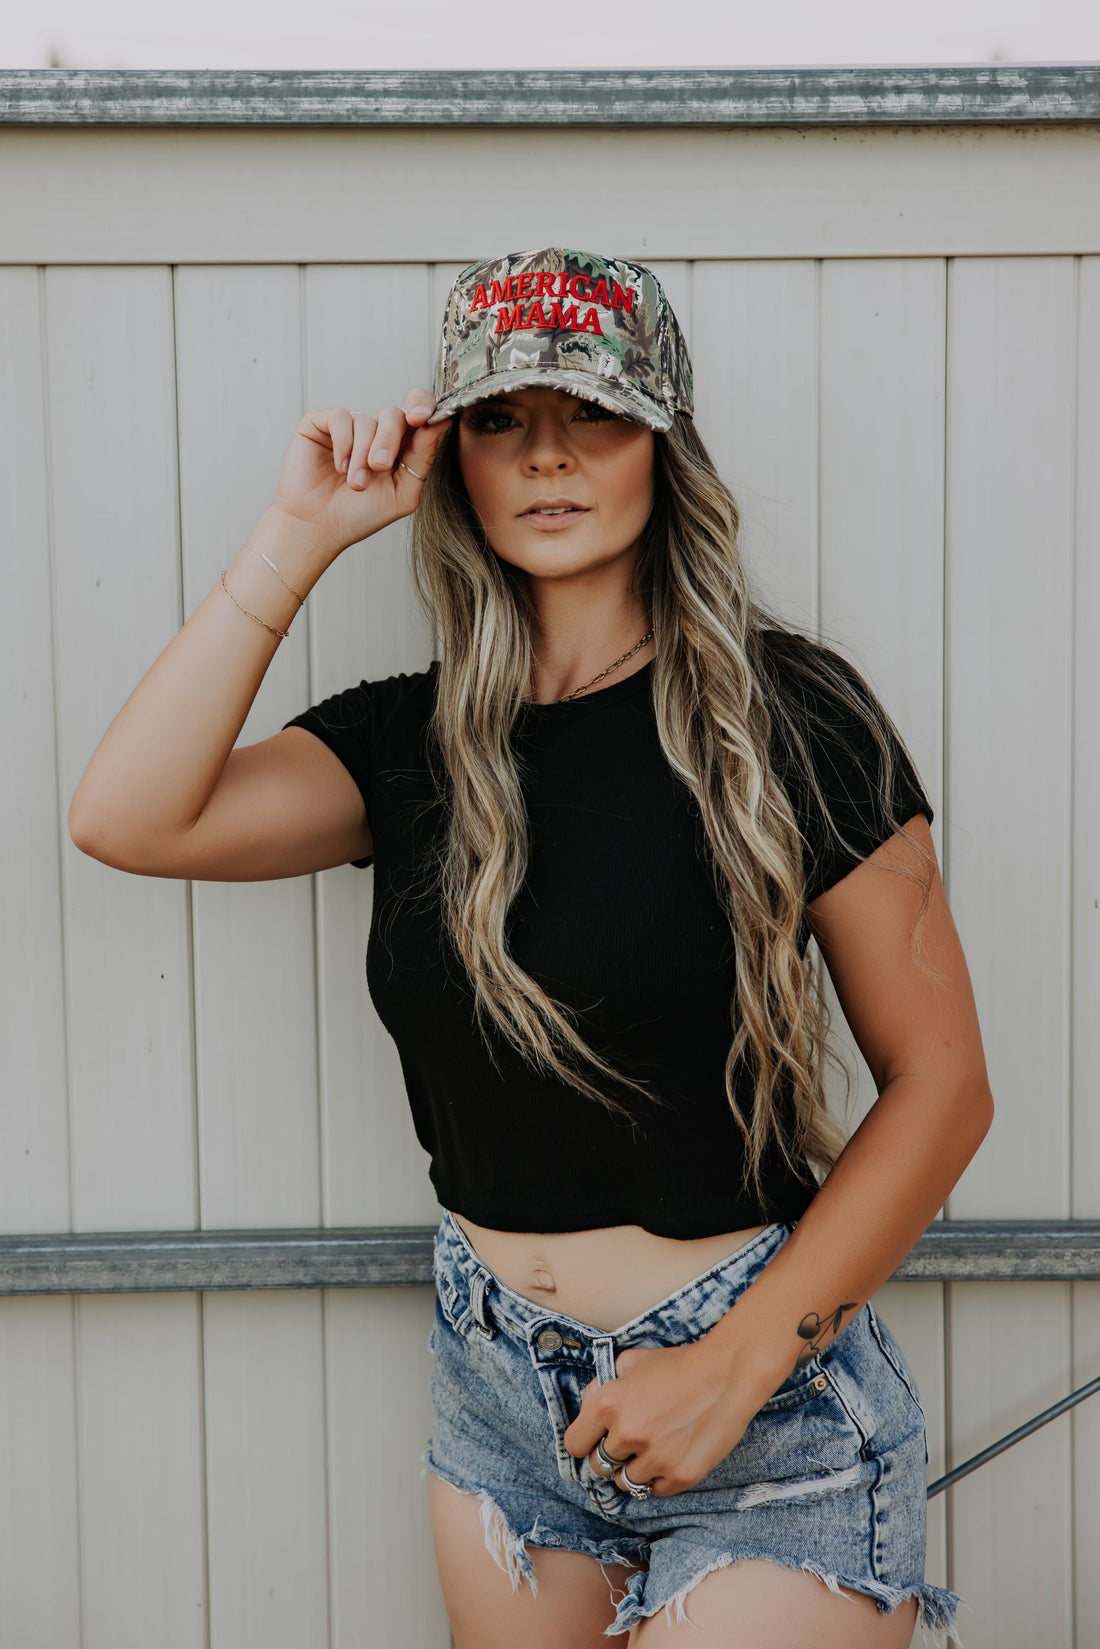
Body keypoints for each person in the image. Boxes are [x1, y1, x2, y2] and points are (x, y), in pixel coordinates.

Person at [69, 247, 991, 1648]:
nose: (549, 457)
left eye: (595, 416)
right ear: (455, 462)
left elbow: (944, 1085)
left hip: (763, 1401)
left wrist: (731, 1369)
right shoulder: (408, 740)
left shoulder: (792, 720)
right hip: (500, 1387)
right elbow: (129, 815)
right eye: (501, 421)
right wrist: (299, 534)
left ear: (663, 448)